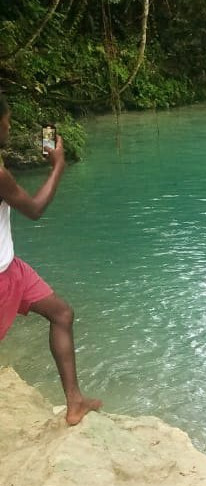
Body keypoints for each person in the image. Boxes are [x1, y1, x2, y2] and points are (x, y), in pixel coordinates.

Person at [0, 93, 101, 425]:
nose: (9, 125)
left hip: (11, 265)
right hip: (2, 273)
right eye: (7, 119)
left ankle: (75, 403)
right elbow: (34, 209)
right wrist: (58, 165)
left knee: (61, 313)